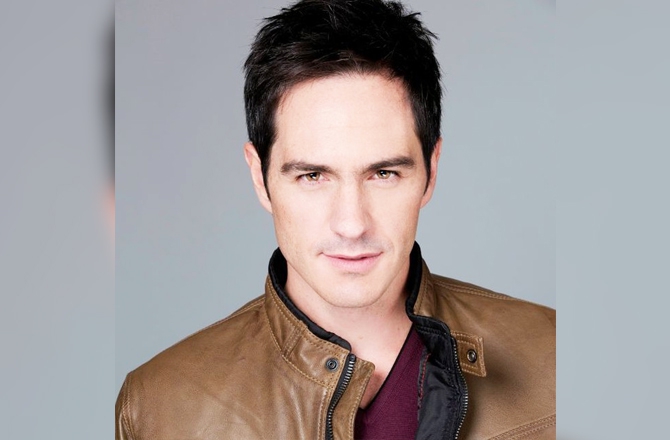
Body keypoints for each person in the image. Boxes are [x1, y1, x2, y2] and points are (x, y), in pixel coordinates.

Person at [115, 0, 555, 438]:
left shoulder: (557, 358)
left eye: (383, 174)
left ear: (431, 171)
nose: (351, 224)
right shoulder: (158, 409)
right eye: (313, 176)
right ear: (260, 177)